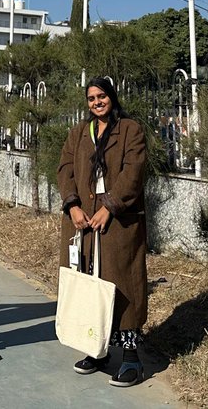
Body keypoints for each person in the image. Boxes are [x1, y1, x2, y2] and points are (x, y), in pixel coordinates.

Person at [56, 77, 149, 388]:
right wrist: (72, 206)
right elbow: (65, 169)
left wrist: (109, 206)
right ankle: (96, 349)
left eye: (102, 96)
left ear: (112, 97)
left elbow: (132, 172)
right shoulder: (79, 132)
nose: (97, 102)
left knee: (123, 284)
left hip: (117, 222)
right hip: (83, 221)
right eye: (91, 98)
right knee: (89, 283)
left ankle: (132, 359)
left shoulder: (130, 130)